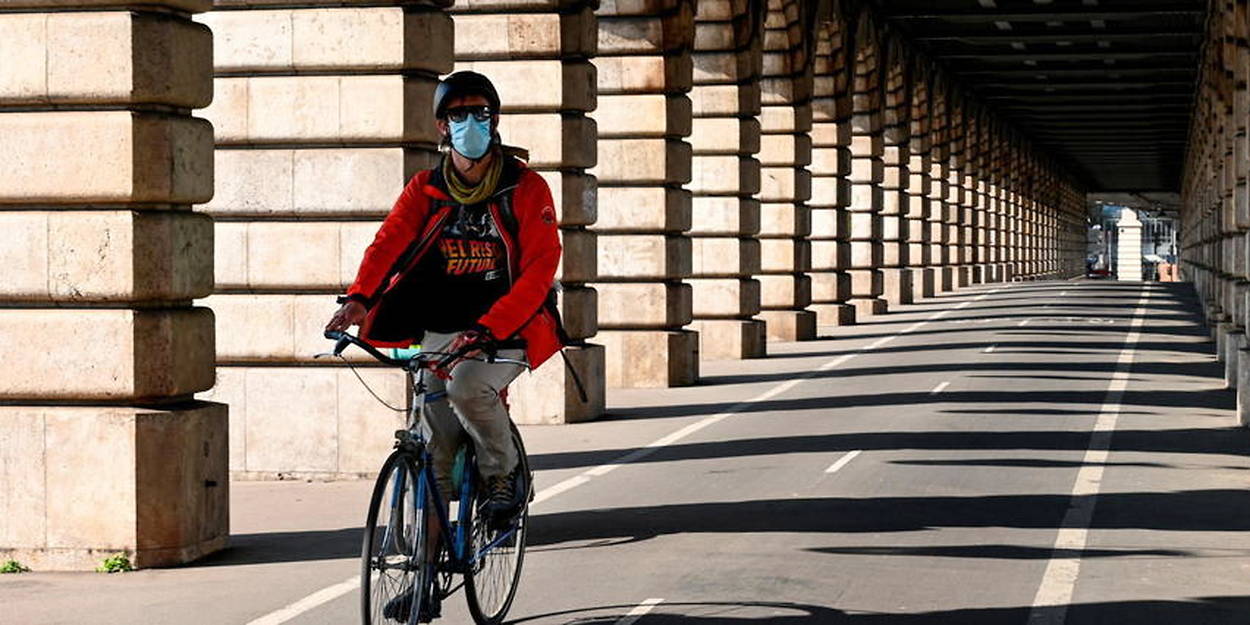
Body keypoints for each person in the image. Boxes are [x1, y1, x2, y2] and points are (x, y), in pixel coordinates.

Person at [325, 71, 563, 521]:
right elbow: (387, 245)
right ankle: (423, 578)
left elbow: (538, 272)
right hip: (440, 327)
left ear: (494, 121)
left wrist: (487, 329)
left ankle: (503, 473)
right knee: (432, 443)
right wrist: (359, 298)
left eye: (480, 113)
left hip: (506, 329)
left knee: (468, 388)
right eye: (458, 114)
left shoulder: (527, 188)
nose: (470, 122)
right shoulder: (425, 189)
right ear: (441, 125)